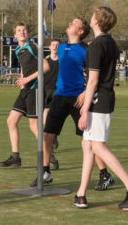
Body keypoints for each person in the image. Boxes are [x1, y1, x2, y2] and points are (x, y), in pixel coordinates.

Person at [75, 7, 128, 210]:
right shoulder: (108, 42)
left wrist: (84, 109)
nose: (91, 15)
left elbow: (93, 81)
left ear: (97, 21)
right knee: (88, 145)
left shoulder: (97, 45)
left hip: (100, 100)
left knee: (97, 146)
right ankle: (81, 194)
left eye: (94, 14)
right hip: (103, 98)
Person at [33, 17, 89, 187]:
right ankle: (45, 172)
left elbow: (95, 75)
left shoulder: (86, 50)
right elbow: (46, 63)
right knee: (47, 135)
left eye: (74, 23)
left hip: (77, 98)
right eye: (70, 21)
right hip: (59, 96)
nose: (70, 23)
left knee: (88, 139)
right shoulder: (62, 47)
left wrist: (86, 93)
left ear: (80, 31)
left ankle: (104, 173)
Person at [0, 22, 49, 168]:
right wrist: (22, 79)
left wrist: (27, 79)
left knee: (34, 126)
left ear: (28, 33)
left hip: (35, 89)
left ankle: (49, 156)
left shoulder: (33, 47)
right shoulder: (18, 50)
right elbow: (24, 67)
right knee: (11, 121)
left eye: (24, 30)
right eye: (19, 30)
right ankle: (15, 157)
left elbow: (45, 67)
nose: (22, 32)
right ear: (14, 35)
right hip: (25, 90)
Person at [43, 39, 60, 170]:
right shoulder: (45, 60)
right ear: (49, 47)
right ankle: (52, 141)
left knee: (51, 120)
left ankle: (53, 138)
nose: (55, 47)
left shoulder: (62, 61)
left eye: (57, 45)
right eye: (53, 45)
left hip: (58, 93)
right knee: (45, 123)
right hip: (46, 92)